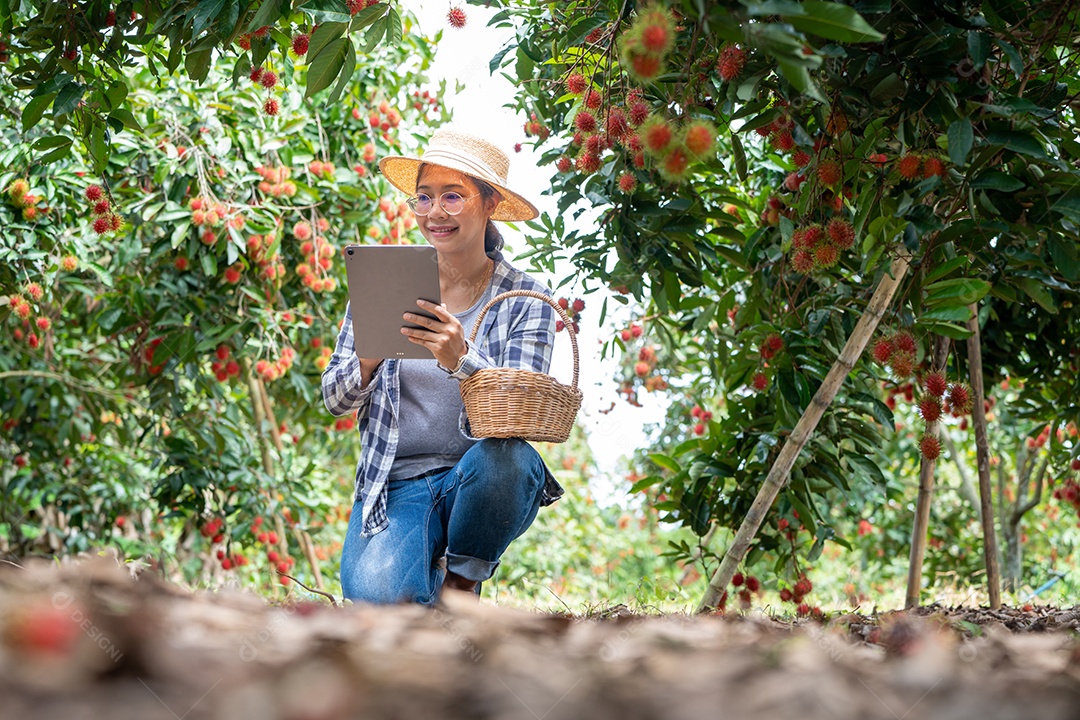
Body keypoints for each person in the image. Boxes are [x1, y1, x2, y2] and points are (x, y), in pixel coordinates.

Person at [322, 128, 565, 606]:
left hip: (476, 477)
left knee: (509, 460)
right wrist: (369, 355)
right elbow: (333, 398)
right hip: (396, 483)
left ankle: (461, 584)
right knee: (381, 601)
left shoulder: (526, 299)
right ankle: (422, 577)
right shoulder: (385, 284)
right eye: (424, 198)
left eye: (453, 196)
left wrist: (462, 359)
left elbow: (517, 418)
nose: (435, 212)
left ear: (490, 203)